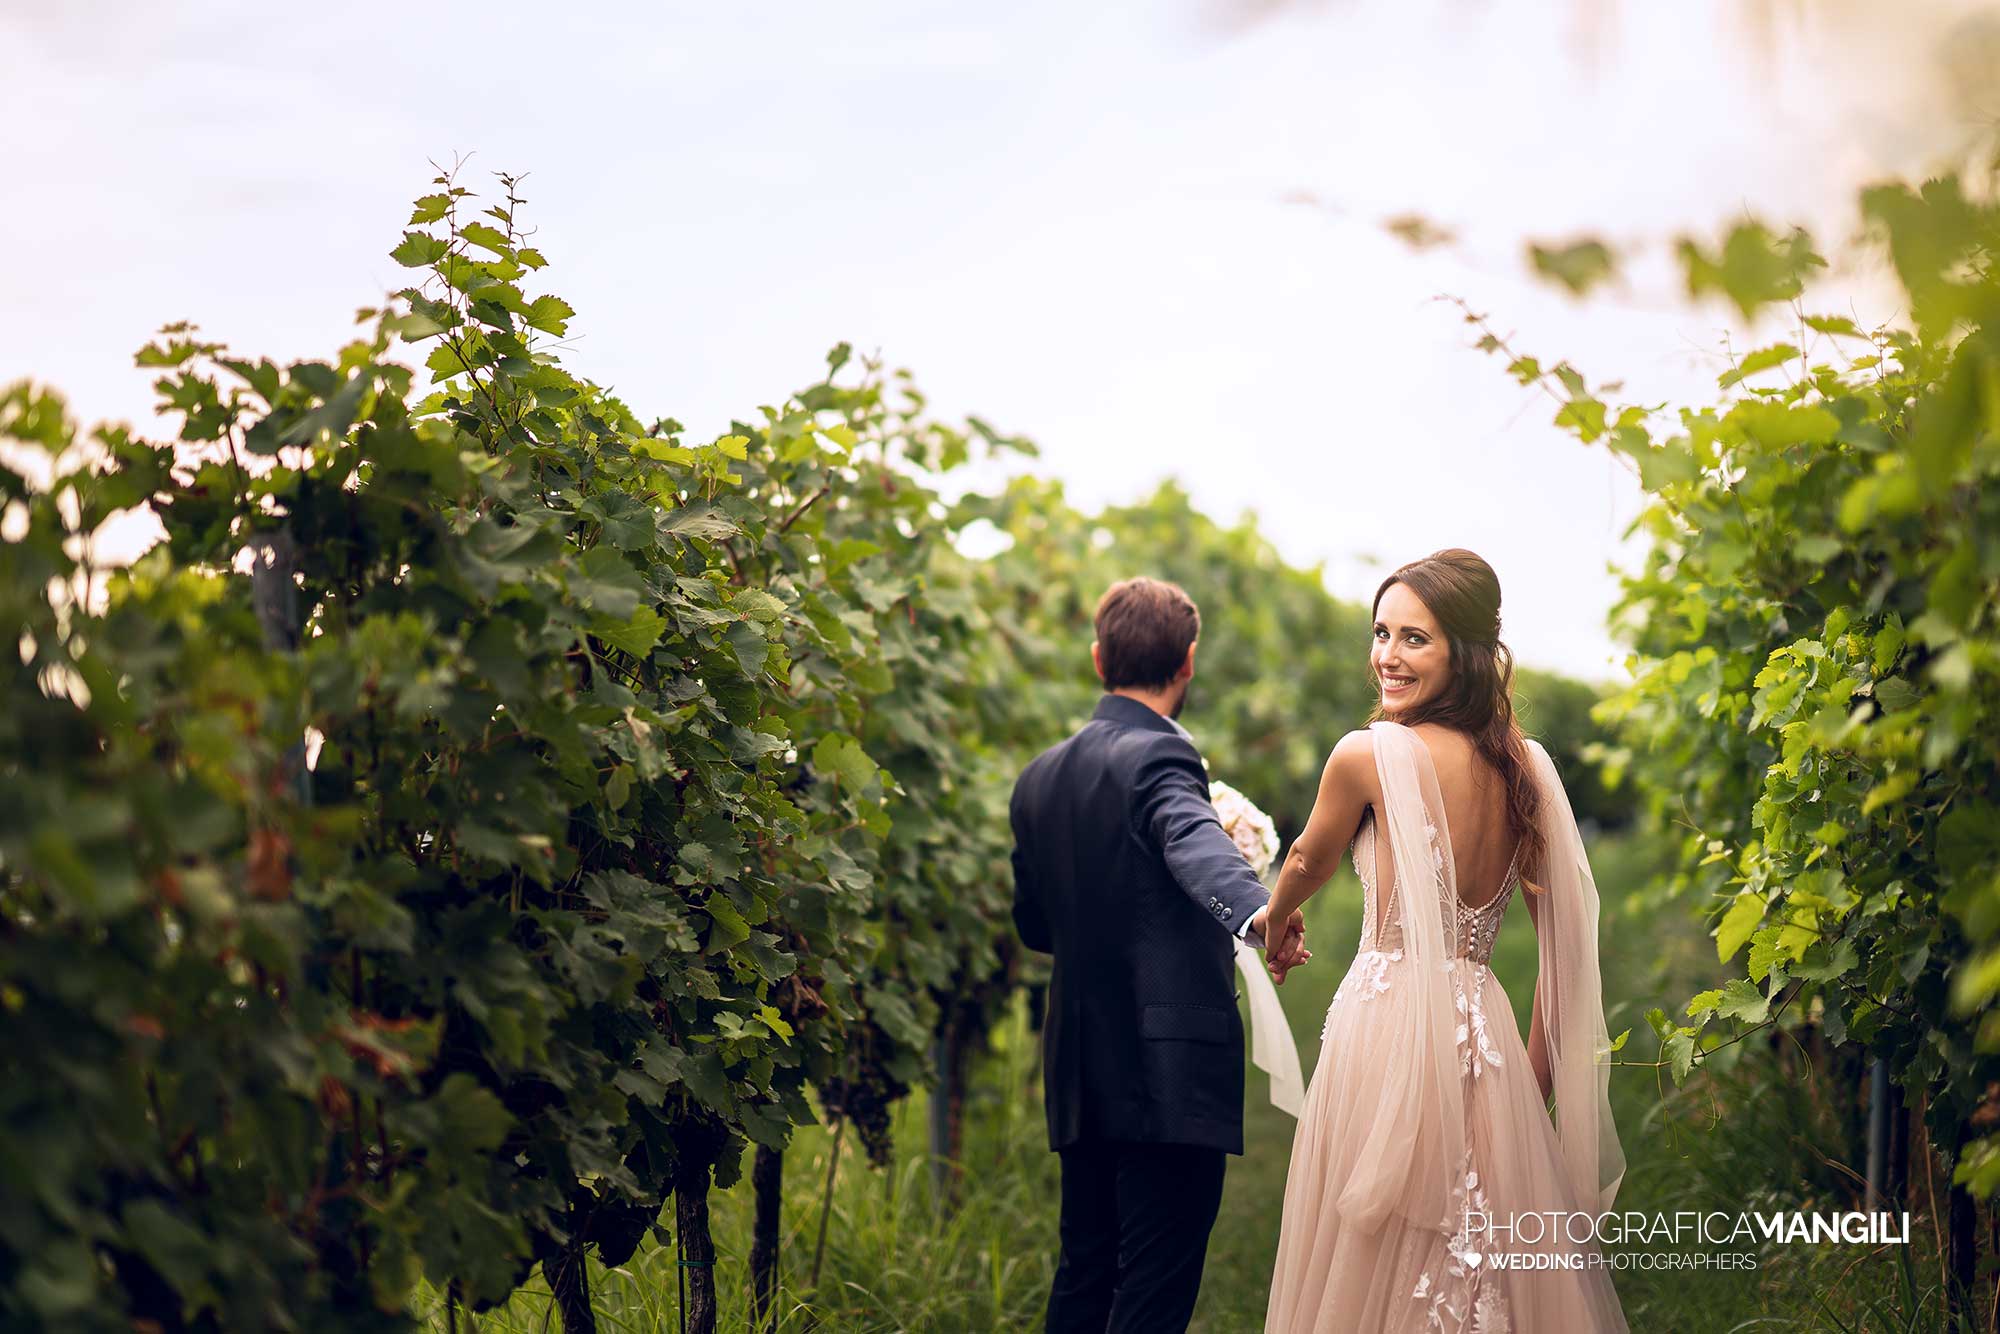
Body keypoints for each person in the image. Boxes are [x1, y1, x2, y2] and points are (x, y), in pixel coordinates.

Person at [1263, 549, 1627, 1333]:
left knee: (1373, 1244)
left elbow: (1305, 858)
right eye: (1381, 632)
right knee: (1477, 1248)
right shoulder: (1526, 767)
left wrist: (1278, 915)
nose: (1387, 657)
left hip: (1386, 1025)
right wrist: (1530, 1086)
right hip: (1485, 1035)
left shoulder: (1368, 752)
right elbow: (1565, 955)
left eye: (1414, 639)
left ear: (1462, 653)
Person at [1010, 575, 1309, 1334]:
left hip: (1079, 1067)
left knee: (1084, 1270)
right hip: (1164, 1070)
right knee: (1153, 1287)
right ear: (1189, 663)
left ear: (1097, 657)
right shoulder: (1162, 759)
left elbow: (1036, 928)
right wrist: (1259, 913)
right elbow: (1192, 839)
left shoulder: (1037, 779)